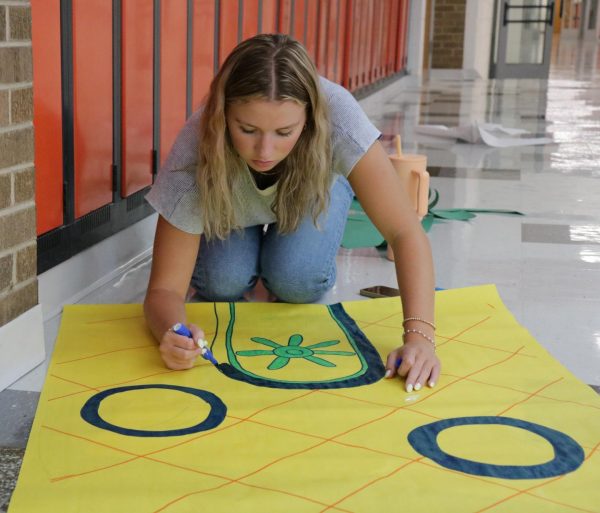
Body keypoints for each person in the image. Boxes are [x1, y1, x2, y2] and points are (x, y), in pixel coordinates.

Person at [144, 33, 440, 392]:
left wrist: (420, 337)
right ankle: (253, 244)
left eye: (285, 131)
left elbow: (405, 232)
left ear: (311, 118)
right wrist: (172, 333)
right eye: (247, 129)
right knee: (222, 282)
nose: (264, 150)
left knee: (296, 279)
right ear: (223, 116)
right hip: (232, 207)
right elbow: (163, 290)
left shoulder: (339, 117)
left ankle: (289, 242)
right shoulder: (196, 148)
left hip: (311, 192)